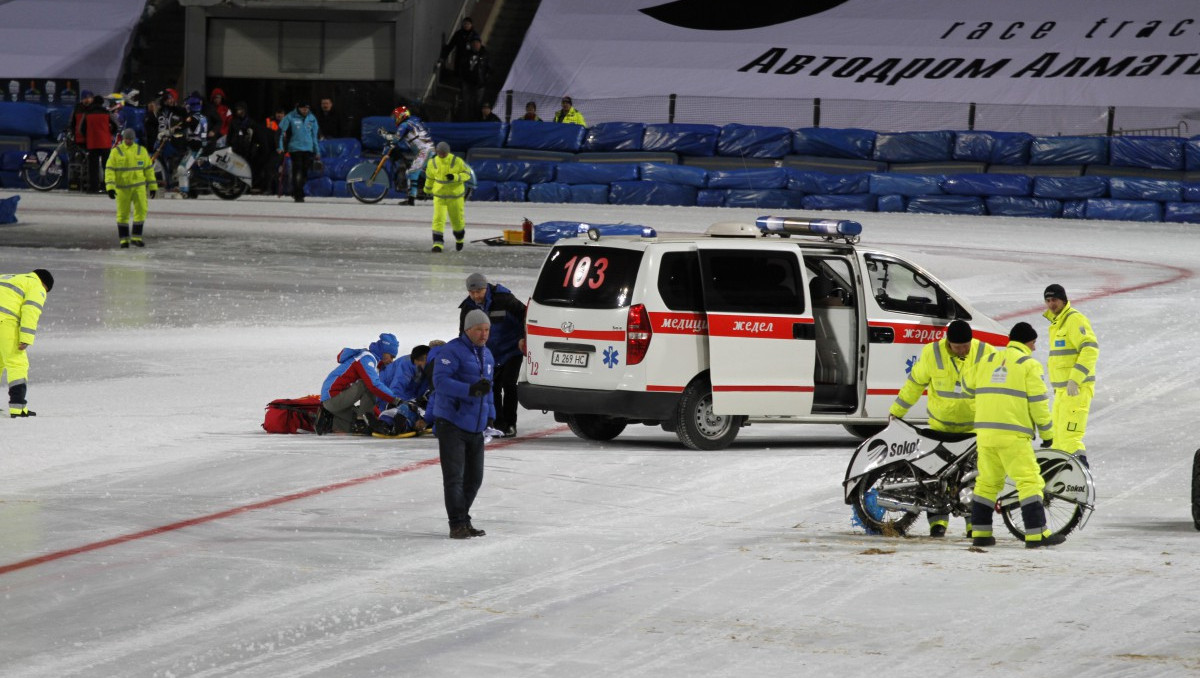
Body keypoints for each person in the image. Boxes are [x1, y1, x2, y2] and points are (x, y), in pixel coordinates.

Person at [888, 319, 995, 537]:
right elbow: (915, 384)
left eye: (966, 345)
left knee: (973, 479)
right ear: (948, 342)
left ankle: (973, 524)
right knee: (935, 477)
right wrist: (896, 412)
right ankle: (937, 523)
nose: (963, 350)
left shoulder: (985, 352)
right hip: (940, 427)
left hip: (972, 429)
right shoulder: (932, 353)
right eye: (958, 347)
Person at [970, 322, 1065, 549]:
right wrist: (1047, 433)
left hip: (985, 434)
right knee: (1029, 481)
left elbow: (968, 389)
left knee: (986, 483)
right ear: (1026, 341)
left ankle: (981, 533)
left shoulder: (985, 362)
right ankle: (1036, 534)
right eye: (1033, 343)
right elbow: (1038, 403)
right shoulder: (1028, 365)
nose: (1034, 348)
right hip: (1013, 435)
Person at [430, 308, 496, 539]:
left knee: (474, 479)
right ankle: (457, 523)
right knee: (455, 478)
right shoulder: (451, 351)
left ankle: (463, 519)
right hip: (452, 423)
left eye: (487, 329)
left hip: (475, 426)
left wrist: (490, 412)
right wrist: (469, 390)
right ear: (468, 330)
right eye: (479, 329)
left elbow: (489, 388)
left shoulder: (487, 355)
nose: (484, 334)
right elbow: (440, 382)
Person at [459, 272, 526, 437]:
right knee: (491, 387)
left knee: (509, 384)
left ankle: (511, 424)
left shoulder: (504, 299)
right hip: (488, 353)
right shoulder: (468, 306)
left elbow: (527, 316)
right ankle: (498, 423)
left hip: (511, 349)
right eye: (472, 292)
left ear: (486, 288)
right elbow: (463, 332)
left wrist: (524, 338)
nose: (476, 296)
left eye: (479, 291)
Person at [1042, 284, 1099, 466]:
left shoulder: (1074, 320)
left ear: (1063, 300)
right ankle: (1065, 480)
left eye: (1055, 300)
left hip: (1076, 390)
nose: (1051, 304)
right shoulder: (1057, 323)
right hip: (1062, 392)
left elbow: (1090, 349)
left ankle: (1081, 478)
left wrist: (1075, 379)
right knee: (1058, 438)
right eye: (1048, 300)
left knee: (1070, 437)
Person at [315, 333, 403, 435]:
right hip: (332, 398)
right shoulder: (366, 358)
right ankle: (362, 421)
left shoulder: (371, 360)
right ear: (384, 351)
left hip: (333, 401)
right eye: (391, 356)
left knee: (354, 425)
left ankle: (331, 419)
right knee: (368, 384)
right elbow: (373, 385)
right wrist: (395, 400)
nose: (391, 360)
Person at [0, 269, 54, 418]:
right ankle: (18, 408)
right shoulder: (36, 286)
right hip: (5, 323)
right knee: (17, 364)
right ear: (45, 285)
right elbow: (31, 311)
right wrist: (26, 338)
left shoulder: (8, 277)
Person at [105, 128, 158, 248]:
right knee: (123, 214)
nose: (128, 141)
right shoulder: (116, 152)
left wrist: (153, 186)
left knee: (141, 210)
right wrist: (110, 187)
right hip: (122, 189)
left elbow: (149, 170)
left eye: (130, 139)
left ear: (134, 139)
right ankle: (124, 240)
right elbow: (110, 171)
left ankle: (136, 237)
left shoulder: (141, 151)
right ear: (123, 139)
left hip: (139, 188)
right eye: (127, 139)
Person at [380, 105, 434, 207]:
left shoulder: (404, 125)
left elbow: (396, 138)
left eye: (396, 116)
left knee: (411, 172)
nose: (395, 119)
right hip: (426, 149)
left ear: (401, 116)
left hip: (424, 151)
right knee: (420, 171)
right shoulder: (412, 122)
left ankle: (411, 199)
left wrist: (384, 134)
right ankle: (423, 190)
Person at [423, 141, 471, 252]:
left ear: (448, 152)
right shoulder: (432, 162)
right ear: (437, 152)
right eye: (440, 152)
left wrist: (455, 177)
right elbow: (430, 178)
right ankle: (437, 244)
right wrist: (427, 189)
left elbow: (467, 174)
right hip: (439, 196)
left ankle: (459, 238)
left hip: (455, 197)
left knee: (457, 221)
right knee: (438, 219)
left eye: (444, 153)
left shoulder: (457, 161)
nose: (442, 155)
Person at [278, 101, 322, 203]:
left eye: (307, 108)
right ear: (298, 108)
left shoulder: (312, 118)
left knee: (305, 172)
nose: (305, 110)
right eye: (303, 108)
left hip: (308, 148)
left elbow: (314, 136)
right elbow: (280, 131)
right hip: (295, 148)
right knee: (297, 170)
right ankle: (299, 195)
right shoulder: (290, 116)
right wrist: (280, 146)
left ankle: (296, 190)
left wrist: (317, 151)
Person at [228, 101, 271, 194]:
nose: (238, 111)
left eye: (240, 109)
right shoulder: (234, 122)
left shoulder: (251, 123)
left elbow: (256, 137)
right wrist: (229, 146)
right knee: (234, 168)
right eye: (237, 110)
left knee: (246, 169)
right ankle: (234, 186)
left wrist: (254, 148)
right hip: (236, 149)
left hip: (247, 150)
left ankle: (245, 187)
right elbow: (230, 136)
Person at [79, 95, 116, 193]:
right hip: (105, 142)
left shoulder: (87, 113)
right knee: (106, 166)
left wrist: (87, 137)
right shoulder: (106, 112)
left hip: (92, 143)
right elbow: (116, 125)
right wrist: (110, 133)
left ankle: (93, 187)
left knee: (93, 167)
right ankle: (107, 187)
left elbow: (81, 128)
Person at [173, 94, 208, 198]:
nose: (186, 107)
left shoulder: (192, 118)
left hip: (195, 147)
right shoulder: (202, 116)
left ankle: (183, 192)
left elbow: (182, 126)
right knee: (188, 169)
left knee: (182, 168)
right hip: (200, 145)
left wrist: (170, 131)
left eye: (187, 105)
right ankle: (190, 188)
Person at [439, 17, 480, 84]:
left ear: (471, 25)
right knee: (457, 73)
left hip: (468, 58)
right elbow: (451, 46)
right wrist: (443, 57)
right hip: (459, 56)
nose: (466, 25)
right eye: (465, 24)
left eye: (468, 24)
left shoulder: (474, 36)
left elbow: (477, 48)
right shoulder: (458, 34)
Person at [459, 37, 490, 121]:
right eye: (474, 43)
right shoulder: (466, 54)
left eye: (477, 43)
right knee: (466, 102)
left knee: (477, 103)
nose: (475, 45)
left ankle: (475, 120)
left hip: (479, 83)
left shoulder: (485, 55)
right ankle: (465, 120)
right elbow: (462, 66)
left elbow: (489, 68)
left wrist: (485, 79)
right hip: (467, 82)